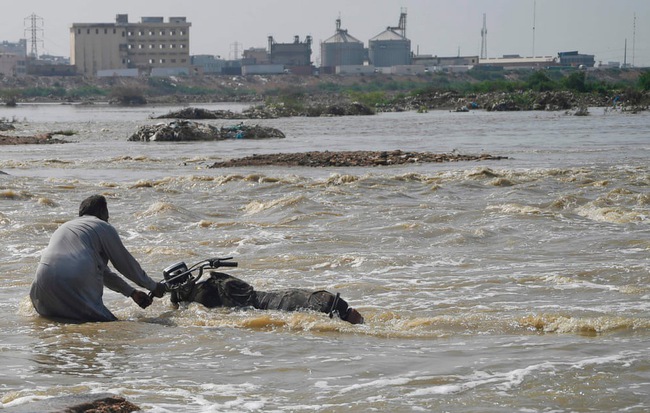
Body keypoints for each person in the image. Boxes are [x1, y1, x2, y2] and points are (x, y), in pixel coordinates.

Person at [29, 195, 166, 322]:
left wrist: (132, 293)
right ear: (101, 213)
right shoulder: (102, 226)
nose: (107, 220)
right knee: (111, 325)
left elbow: (103, 273)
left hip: (41, 289)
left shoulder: (65, 227)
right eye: (107, 216)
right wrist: (153, 286)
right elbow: (126, 265)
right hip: (74, 283)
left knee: (61, 326)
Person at [169, 271, 365, 324]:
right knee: (347, 318)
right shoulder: (219, 281)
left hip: (290, 302)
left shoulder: (205, 294)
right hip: (303, 296)